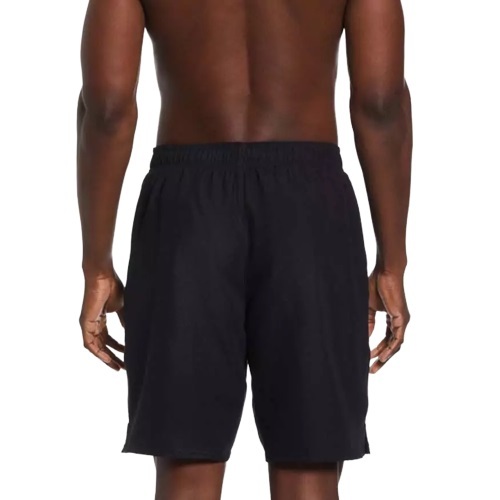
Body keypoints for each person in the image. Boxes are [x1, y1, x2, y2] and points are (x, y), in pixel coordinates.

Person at [77, 0, 412, 498]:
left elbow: (106, 107)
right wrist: (392, 262)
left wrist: (97, 265)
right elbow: (381, 102)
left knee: (186, 467)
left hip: (186, 211)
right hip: (311, 208)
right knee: (310, 467)